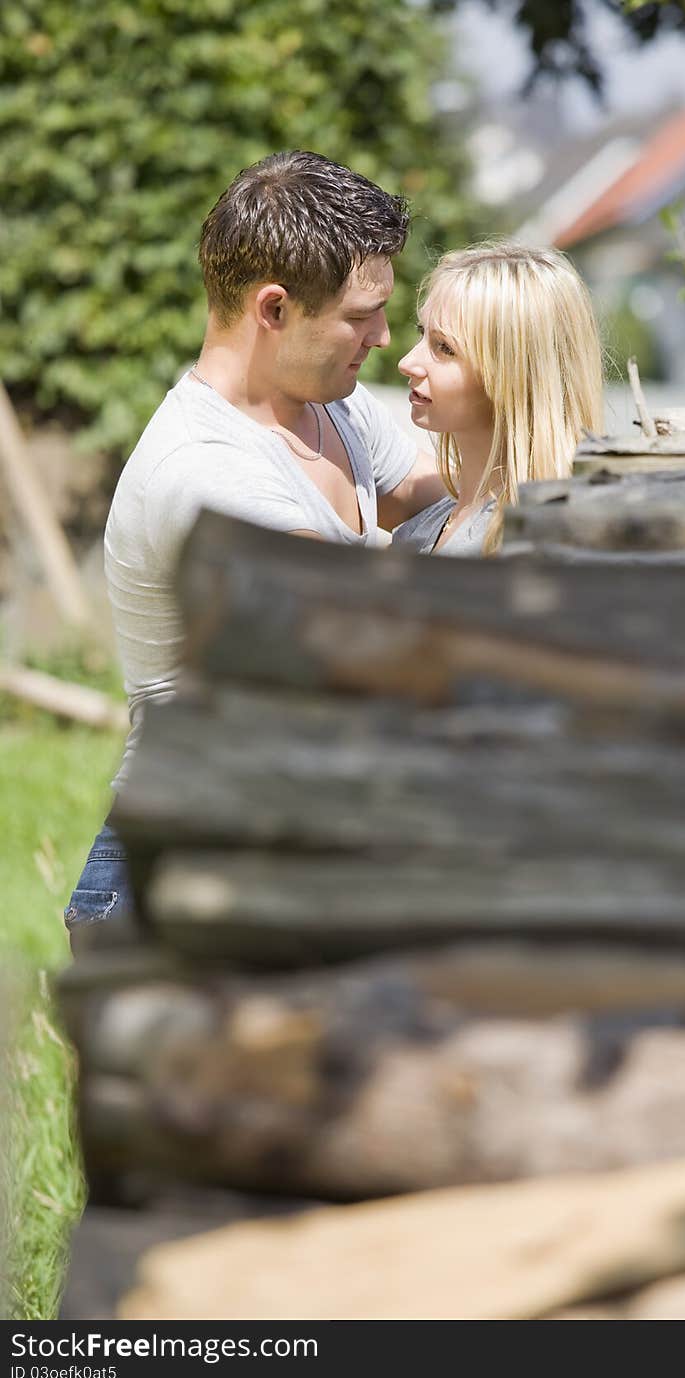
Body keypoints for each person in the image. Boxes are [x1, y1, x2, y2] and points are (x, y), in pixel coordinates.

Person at [64, 150, 445, 936]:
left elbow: (447, 489)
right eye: (360, 314)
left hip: (268, 830)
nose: (382, 337)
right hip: (176, 867)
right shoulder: (205, 470)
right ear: (272, 309)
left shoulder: (325, 406)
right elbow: (366, 636)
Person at [393, 241, 604, 556]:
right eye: (421, 333)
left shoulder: (539, 544)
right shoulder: (421, 530)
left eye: (445, 348)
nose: (407, 362)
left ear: (515, 375)